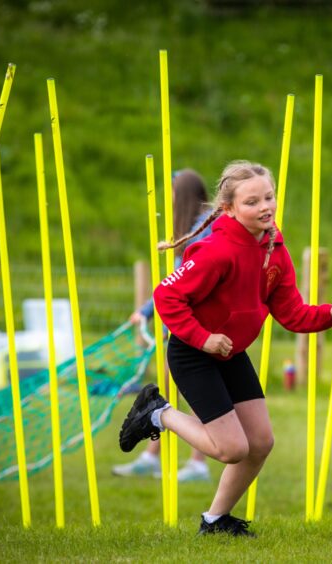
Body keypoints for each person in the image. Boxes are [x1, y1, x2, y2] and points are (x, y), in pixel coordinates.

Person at [117, 161, 332, 536]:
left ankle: (215, 521)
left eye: (269, 197)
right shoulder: (215, 250)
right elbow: (166, 296)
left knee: (260, 443)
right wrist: (203, 337)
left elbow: (291, 312)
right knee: (231, 449)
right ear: (228, 209)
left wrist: (330, 314)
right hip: (193, 352)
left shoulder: (275, 249)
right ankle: (157, 414)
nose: (265, 207)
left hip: (229, 353)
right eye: (252, 202)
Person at [113, 169, 214, 482]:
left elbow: (184, 282)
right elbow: (174, 282)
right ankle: (153, 457)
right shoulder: (189, 230)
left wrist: (149, 308)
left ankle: (198, 463)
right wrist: (146, 310)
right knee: (167, 392)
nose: (168, 198)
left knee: (196, 395)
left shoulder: (202, 231)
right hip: (179, 325)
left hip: (195, 327)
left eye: (171, 192)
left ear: (182, 194)